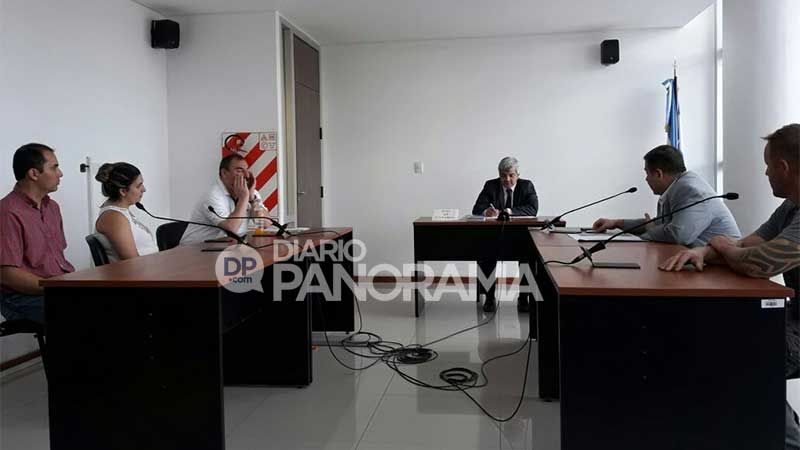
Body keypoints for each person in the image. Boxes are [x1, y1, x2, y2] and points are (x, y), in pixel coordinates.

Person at [658, 124, 800, 449]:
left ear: (783, 167)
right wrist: (704, 251)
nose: (765, 173)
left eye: (768, 166)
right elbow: (749, 243)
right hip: (795, 315)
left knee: (742, 354)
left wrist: (722, 247)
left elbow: (760, 262)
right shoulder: (792, 206)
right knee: (718, 332)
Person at [593, 145, 741, 247]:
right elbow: (659, 224)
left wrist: (650, 230)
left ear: (658, 174)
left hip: (721, 267)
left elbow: (678, 235)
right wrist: (617, 223)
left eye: (647, 173)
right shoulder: (677, 186)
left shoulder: (690, 190)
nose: (646, 179)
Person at [0, 143, 75, 323]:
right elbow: (7, 274)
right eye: (54, 167)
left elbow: (57, 258)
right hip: (22, 297)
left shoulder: (52, 207)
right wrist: (59, 288)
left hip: (55, 287)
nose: (60, 174)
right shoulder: (8, 212)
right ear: (34, 173)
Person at [471, 156, 539, 313]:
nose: (507, 179)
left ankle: (523, 298)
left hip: (521, 236)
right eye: (503, 175)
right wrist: (486, 211)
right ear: (499, 175)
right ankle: (489, 297)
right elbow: (477, 208)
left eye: (511, 175)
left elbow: (532, 209)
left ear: (518, 174)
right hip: (495, 235)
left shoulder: (527, 186)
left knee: (527, 258)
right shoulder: (490, 185)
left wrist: (507, 211)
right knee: (486, 255)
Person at [180, 153, 267, 244]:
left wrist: (252, 200)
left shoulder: (249, 193)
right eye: (239, 170)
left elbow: (265, 223)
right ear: (224, 173)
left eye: (247, 170)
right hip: (195, 248)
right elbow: (231, 230)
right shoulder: (212, 196)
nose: (247, 175)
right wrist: (244, 199)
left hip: (226, 246)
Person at [93, 162, 158, 262]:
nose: (144, 189)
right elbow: (133, 262)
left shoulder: (120, 213)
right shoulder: (114, 218)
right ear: (123, 191)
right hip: (141, 270)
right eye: (139, 186)